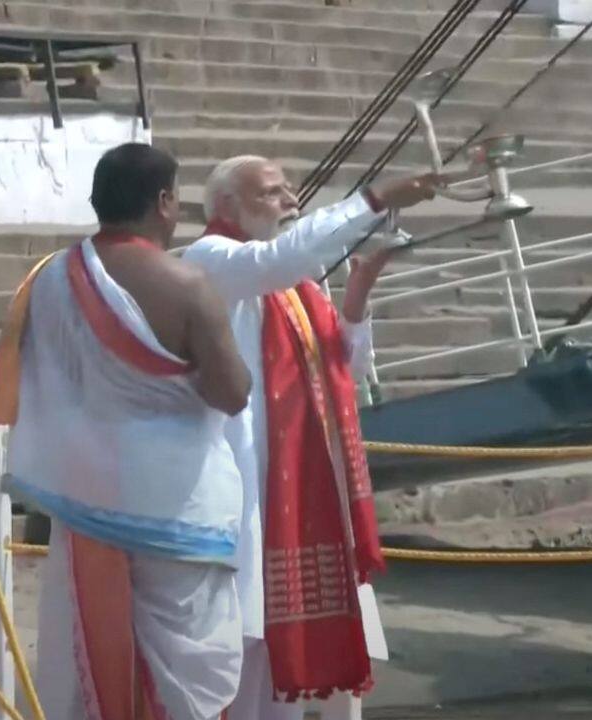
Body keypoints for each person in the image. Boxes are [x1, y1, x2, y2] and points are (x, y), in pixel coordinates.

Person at [0, 143, 252, 720]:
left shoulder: (49, 278)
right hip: (180, 508)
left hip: (86, 501)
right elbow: (232, 392)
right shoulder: (187, 286)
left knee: (86, 663)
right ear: (164, 202)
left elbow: (46, 375)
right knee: (188, 673)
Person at [182, 155, 436, 720]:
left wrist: (362, 285)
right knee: (236, 662)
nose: (289, 200)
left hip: (297, 481)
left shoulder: (290, 282)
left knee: (279, 671)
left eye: (287, 189)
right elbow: (280, 258)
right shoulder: (212, 260)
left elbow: (345, 361)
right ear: (228, 207)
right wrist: (373, 198)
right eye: (272, 192)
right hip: (245, 489)